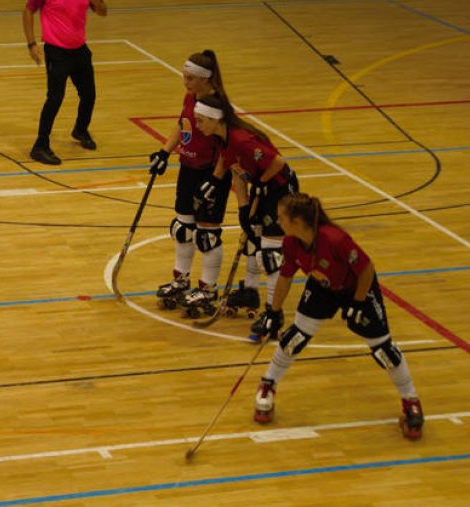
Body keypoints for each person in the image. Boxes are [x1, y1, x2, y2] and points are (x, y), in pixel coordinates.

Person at [251, 192, 424, 439]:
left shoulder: (335, 239)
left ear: (297, 222)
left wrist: (358, 303)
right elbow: (285, 278)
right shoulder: (291, 243)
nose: (277, 221)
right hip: (323, 287)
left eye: (281, 217)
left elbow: (366, 269)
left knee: (383, 349)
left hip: (358, 289)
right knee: (294, 337)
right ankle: (268, 384)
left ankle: (411, 401)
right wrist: (273, 311)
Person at [190, 93, 298, 323]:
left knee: (270, 255)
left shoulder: (241, 139)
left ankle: (273, 313)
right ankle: (250, 292)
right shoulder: (222, 139)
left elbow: (278, 162)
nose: (197, 126)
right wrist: (243, 208)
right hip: (262, 189)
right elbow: (237, 172)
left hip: (280, 189)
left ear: (215, 119)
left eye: (200, 120)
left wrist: (260, 183)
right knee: (254, 240)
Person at [151, 51, 243, 315]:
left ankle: (208, 288)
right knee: (182, 228)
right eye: (184, 77)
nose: (186, 82)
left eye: (190, 78)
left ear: (205, 79)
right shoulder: (190, 97)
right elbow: (183, 125)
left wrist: (215, 179)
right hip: (188, 168)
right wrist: (164, 152)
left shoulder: (218, 105)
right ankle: (181, 279)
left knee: (207, 235)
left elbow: (228, 146)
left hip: (211, 173)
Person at [22, 0, 107, 166]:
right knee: (55, 99)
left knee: (89, 95)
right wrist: (31, 44)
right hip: (57, 52)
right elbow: (28, 10)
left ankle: (80, 130)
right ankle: (40, 145)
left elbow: (103, 12)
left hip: (80, 51)